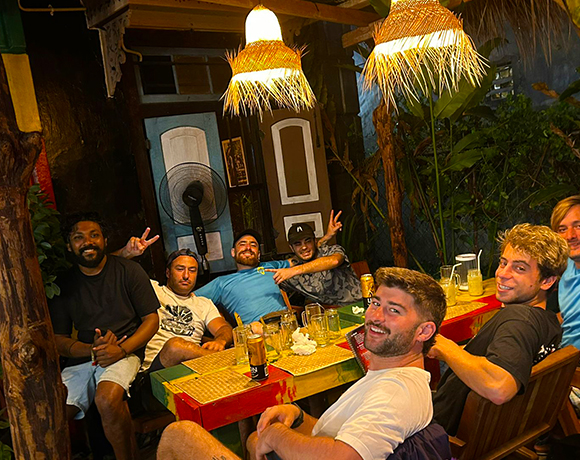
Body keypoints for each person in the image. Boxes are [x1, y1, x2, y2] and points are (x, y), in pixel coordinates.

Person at [156, 267, 448, 460]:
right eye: (375, 303)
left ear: (424, 331)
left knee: (180, 435)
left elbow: (344, 456)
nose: (374, 317)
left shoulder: (395, 392)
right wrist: (297, 417)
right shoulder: (390, 377)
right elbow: (339, 435)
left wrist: (277, 436)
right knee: (255, 438)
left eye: (394, 311)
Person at [430, 223, 569, 436]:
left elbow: (499, 387)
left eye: (519, 268)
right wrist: (457, 351)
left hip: (439, 434)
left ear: (547, 281)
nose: (502, 274)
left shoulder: (518, 321)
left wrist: (445, 347)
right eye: (503, 263)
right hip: (500, 432)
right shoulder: (547, 321)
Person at [48, 212, 160, 460]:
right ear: (69, 245)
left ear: (105, 240)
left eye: (94, 235)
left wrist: (121, 350)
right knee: (52, 412)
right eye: (78, 237)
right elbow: (58, 339)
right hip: (84, 356)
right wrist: (92, 350)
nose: (87, 242)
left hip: (125, 352)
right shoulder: (63, 284)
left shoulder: (129, 271)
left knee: (107, 399)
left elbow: (151, 319)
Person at [142, 248, 233, 372]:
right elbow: (118, 272)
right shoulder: (152, 289)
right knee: (175, 346)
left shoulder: (204, 303)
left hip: (197, 367)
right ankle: (226, 360)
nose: (186, 276)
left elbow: (223, 328)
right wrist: (128, 253)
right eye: (180, 269)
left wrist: (220, 341)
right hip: (158, 367)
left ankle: (222, 361)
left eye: (192, 270)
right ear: (168, 273)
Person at [267, 211, 362, 306]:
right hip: (330, 312)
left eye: (308, 241)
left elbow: (334, 261)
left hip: (359, 304)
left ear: (315, 241)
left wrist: (295, 270)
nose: (304, 247)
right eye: (298, 244)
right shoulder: (290, 274)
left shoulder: (330, 251)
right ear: (291, 248)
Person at [550, 195, 580, 350]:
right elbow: (569, 315)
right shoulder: (568, 266)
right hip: (561, 350)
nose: (570, 236)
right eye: (562, 229)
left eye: (578, 226)